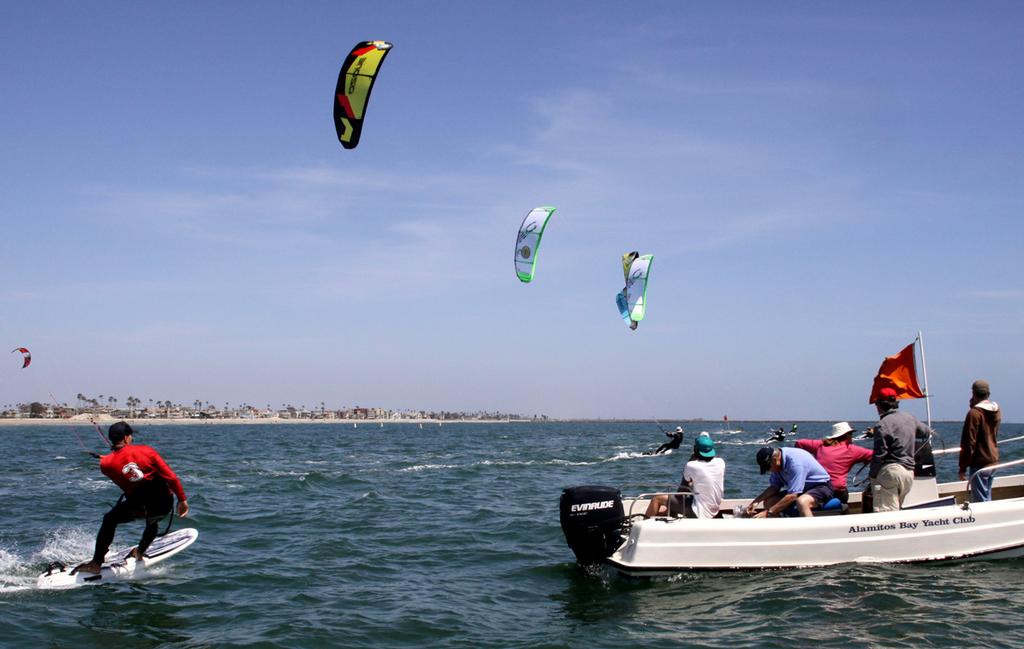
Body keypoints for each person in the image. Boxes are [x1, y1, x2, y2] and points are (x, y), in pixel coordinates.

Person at [72, 422, 189, 575]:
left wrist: (107, 457)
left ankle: (96, 563)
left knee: (109, 520)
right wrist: (182, 500)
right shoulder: (147, 451)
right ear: (126, 438)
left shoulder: (105, 464)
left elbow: (121, 466)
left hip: (137, 507)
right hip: (162, 505)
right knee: (152, 521)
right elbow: (171, 478)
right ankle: (140, 551)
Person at [869, 387, 928, 512]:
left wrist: (872, 475)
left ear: (879, 405)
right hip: (908, 474)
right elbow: (926, 432)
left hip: (891, 472)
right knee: (896, 510)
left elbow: (880, 453)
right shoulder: (910, 418)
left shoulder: (882, 424)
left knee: (886, 515)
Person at [645, 433, 725, 519]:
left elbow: (681, 491)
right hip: (713, 511)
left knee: (657, 498)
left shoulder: (691, 465)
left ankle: (643, 525)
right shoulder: (721, 462)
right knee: (675, 500)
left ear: (696, 450)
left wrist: (691, 459)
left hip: (699, 512)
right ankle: (670, 516)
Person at [795, 422, 872, 503]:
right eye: (851, 434)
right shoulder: (852, 449)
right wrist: (865, 460)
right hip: (836, 490)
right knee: (844, 495)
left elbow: (799, 443)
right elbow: (875, 455)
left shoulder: (821, 445)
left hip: (815, 487)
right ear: (847, 435)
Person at [746, 446, 833, 517]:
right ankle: (782, 531)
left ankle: (810, 533)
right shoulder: (777, 465)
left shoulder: (795, 463)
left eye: (768, 468)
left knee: (802, 502)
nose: (769, 471)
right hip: (802, 489)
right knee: (769, 502)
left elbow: (792, 496)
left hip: (821, 486)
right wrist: (756, 502)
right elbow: (774, 487)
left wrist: (768, 513)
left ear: (775, 459)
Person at [958, 379, 1002, 502]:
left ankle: (988, 520)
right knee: (987, 495)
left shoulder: (974, 414)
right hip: (993, 459)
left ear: (974, 393)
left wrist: (962, 467)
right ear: (988, 393)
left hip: (980, 462)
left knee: (980, 500)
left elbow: (968, 442)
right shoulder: (997, 411)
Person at [621, 251, 640, 330]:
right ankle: (632, 322)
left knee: (621, 297)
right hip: (630, 286)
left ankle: (633, 322)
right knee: (619, 297)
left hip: (632, 286)